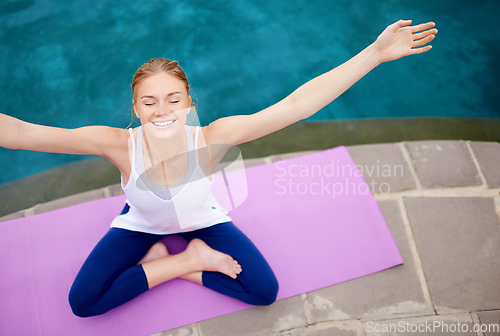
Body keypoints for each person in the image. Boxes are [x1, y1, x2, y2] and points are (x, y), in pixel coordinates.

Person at [0, 20, 437, 317]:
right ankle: (181, 261)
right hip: (141, 226)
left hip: (204, 222)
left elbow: (298, 105)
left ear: (189, 103)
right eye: (149, 102)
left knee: (263, 292)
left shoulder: (211, 139)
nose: (162, 110)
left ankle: (178, 258)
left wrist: (374, 55)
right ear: (134, 108)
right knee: (83, 302)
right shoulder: (117, 144)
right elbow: (25, 134)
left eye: (174, 99)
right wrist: (186, 263)